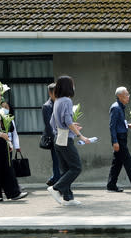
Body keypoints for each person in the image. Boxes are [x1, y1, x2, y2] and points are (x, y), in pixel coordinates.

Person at [49, 75, 91, 206]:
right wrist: (80, 135)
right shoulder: (66, 101)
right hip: (66, 138)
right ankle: (56, 188)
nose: (74, 87)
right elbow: (67, 121)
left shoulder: (57, 100)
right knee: (76, 167)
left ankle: (68, 198)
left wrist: (70, 126)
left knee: (66, 169)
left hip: (58, 138)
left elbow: (52, 122)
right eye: (72, 84)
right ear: (69, 86)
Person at [107, 87, 131, 193]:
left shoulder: (121, 107)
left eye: (128, 94)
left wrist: (127, 125)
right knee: (128, 161)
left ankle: (111, 185)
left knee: (117, 163)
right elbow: (112, 126)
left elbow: (120, 123)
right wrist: (115, 141)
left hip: (122, 137)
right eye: (126, 95)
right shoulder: (115, 108)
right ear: (120, 96)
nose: (128, 96)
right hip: (119, 139)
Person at [42, 82, 60, 187]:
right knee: (57, 161)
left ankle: (54, 179)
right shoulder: (47, 106)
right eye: (56, 92)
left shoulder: (59, 103)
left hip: (63, 136)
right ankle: (57, 182)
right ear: (50, 93)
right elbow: (48, 125)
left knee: (61, 161)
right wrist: (54, 138)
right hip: (55, 138)